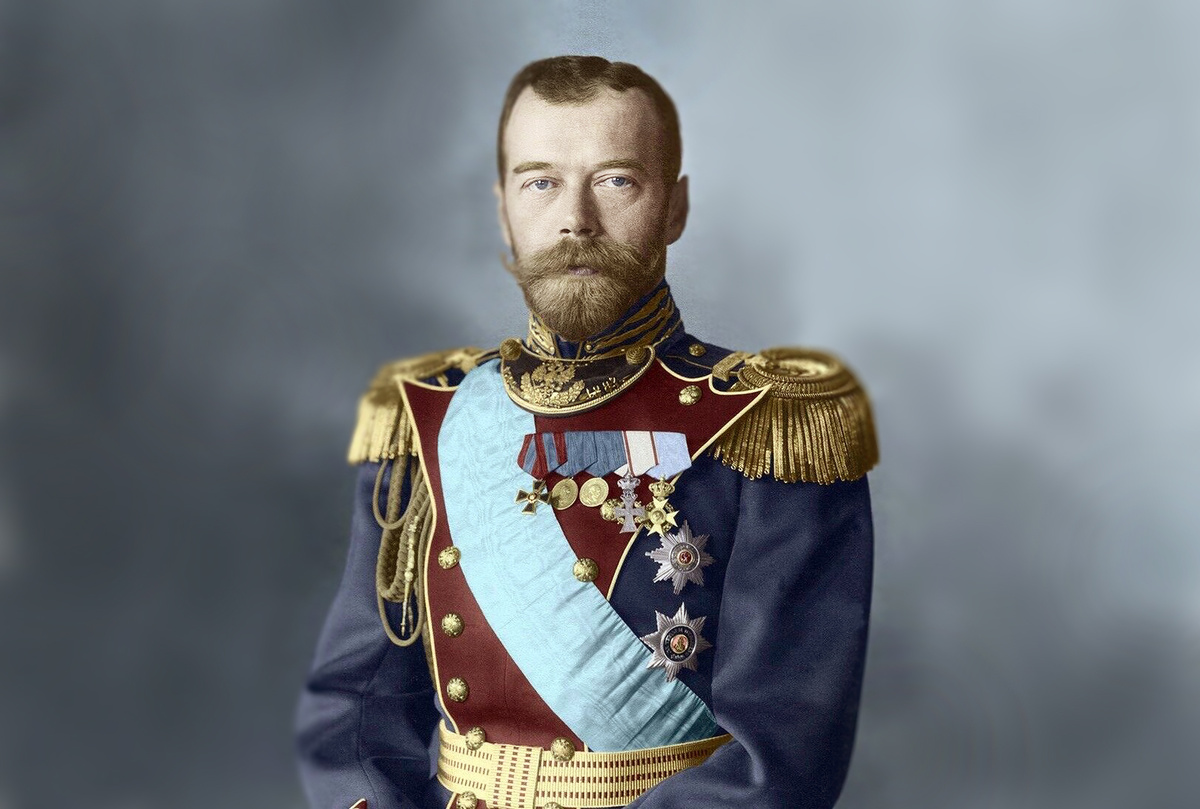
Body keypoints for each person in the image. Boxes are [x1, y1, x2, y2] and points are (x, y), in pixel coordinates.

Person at [296, 55, 878, 809]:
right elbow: (354, 711)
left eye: (615, 180)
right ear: (503, 208)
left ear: (675, 208)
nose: (576, 218)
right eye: (541, 182)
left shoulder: (769, 428)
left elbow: (780, 761)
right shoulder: (428, 419)